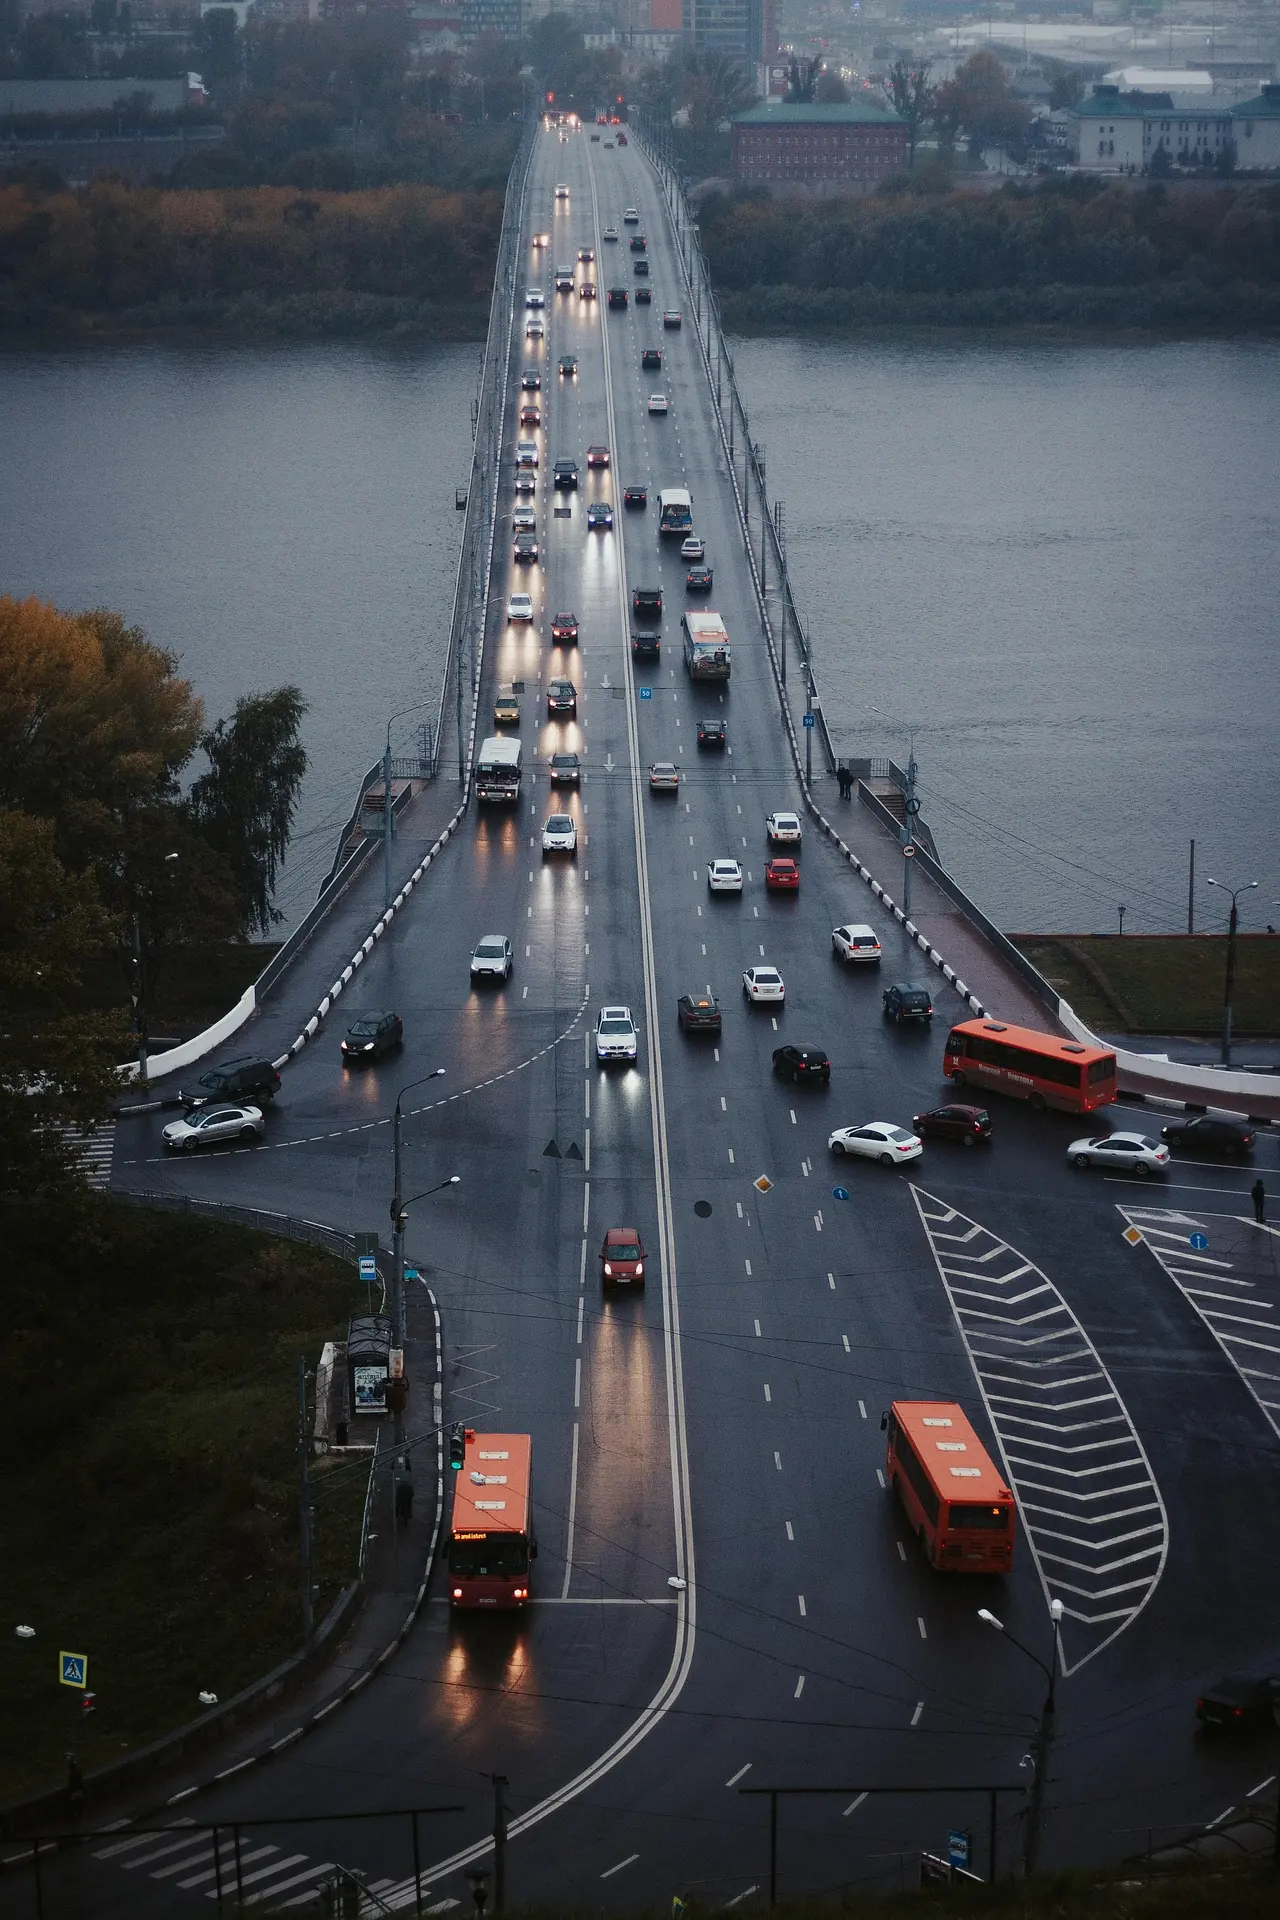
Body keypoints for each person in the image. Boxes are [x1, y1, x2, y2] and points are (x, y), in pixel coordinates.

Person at [66, 1753, 85, 1823]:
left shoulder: (71, 1775)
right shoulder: (78, 1773)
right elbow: (81, 1781)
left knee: (74, 1804)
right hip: (78, 1790)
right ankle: (79, 1814)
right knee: (79, 1803)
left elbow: (71, 1784)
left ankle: (76, 1815)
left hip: (74, 1791)